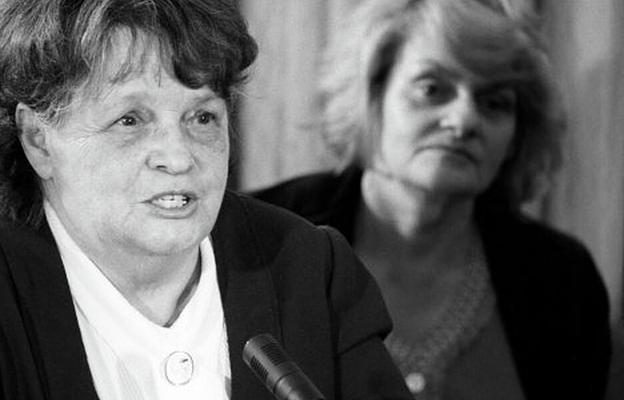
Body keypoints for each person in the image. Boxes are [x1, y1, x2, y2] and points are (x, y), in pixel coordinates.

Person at [0, 0, 413, 399]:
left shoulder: (311, 270)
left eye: (202, 117)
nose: (178, 156)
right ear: (39, 140)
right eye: (130, 120)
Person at [253, 0, 612, 399]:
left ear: (516, 136)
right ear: (371, 96)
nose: (464, 120)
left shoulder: (561, 280)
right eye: (432, 89)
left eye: (494, 103)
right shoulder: (255, 238)